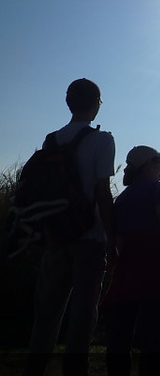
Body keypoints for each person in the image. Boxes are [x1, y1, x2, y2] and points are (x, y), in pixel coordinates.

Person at [24, 78, 116, 376]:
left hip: (55, 235)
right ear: (96, 103)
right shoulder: (103, 140)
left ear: (69, 103)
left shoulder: (52, 139)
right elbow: (103, 192)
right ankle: (75, 369)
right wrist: (112, 238)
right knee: (83, 312)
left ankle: (34, 367)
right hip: (88, 236)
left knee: (48, 309)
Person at [103, 145, 160, 376]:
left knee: (122, 330)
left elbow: (118, 239)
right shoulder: (158, 189)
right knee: (155, 333)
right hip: (157, 266)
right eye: (159, 163)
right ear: (147, 165)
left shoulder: (122, 198)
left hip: (128, 267)